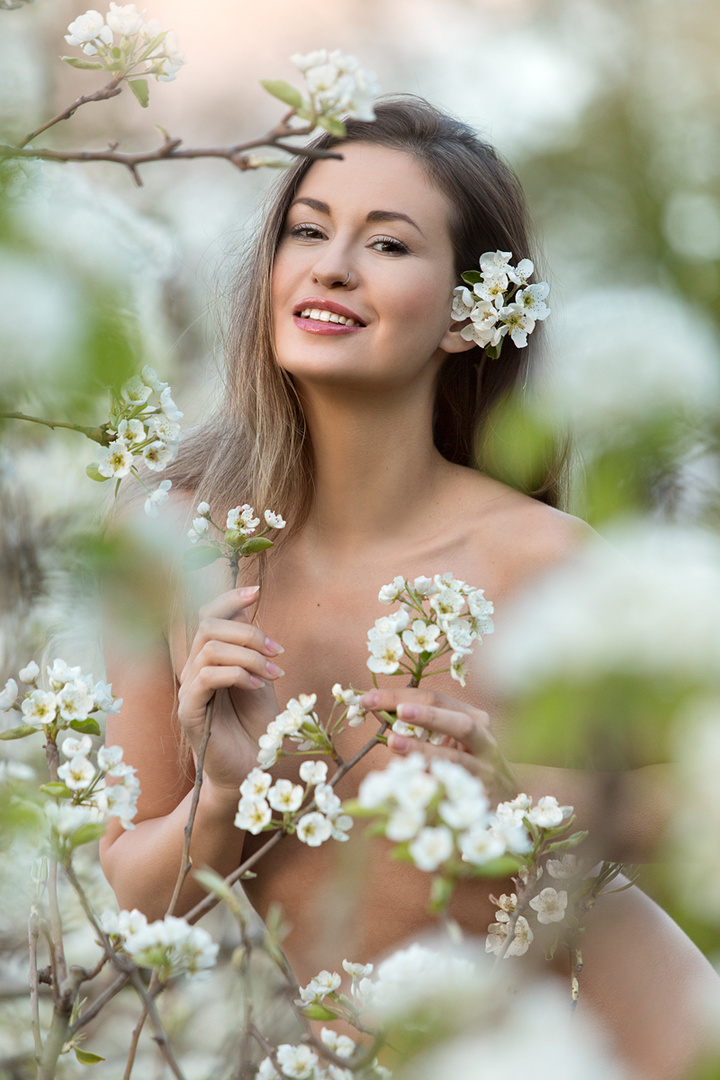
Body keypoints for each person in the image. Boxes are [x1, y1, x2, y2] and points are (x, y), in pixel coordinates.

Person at [100, 97, 719, 1078]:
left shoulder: (546, 560)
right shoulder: (170, 537)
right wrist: (221, 799)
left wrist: (524, 792)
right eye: (308, 230)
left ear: (472, 315)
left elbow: (691, 806)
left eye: (387, 244)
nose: (332, 265)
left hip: (604, 1037)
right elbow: (132, 900)